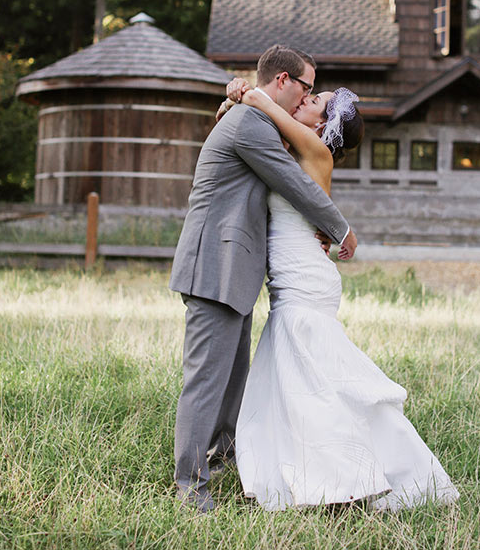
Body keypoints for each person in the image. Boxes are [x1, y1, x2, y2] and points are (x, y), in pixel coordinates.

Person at [230, 85, 460, 512]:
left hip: (305, 282)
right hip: (292, 277)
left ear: (323, 124)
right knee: (299, 379)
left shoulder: (318, 151)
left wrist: (247, 90)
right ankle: (311, 474)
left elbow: (263, 104)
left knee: (311, 381)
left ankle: (353, 479)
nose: (304, 100)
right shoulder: (295, 151)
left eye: (313, 101)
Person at [169, 45, 358, 513]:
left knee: (233, 377)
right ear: (282, 82)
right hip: (215, 263)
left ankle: (226, 458)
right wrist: (342, 229)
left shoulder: (259, 117)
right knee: (207, 380)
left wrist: (240, 93)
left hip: (237, 268)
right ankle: (190, 486)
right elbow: (293, 183)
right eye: (307, 88)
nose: (308, 97)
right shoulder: (251, 125)